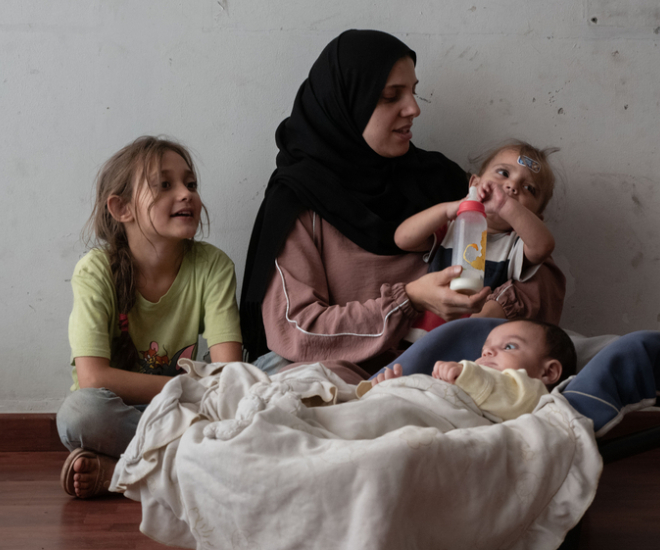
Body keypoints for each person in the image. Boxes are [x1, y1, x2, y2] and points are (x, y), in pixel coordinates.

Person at [240, 30, 555, 375]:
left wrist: (493, 311)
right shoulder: (300, 202)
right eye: (391, 96)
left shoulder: (439, 179)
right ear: (348, 104)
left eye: (413, 91)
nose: (414, 108)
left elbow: (538, 269)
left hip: (452, 367)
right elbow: (297, 330)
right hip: (346, 373)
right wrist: (409, 300)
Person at [57, 136, 243, 498]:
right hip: (128, 412)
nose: (186, 193)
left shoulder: (213, 265)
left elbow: (229, 373)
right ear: (121, 208)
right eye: (164, 185)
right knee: (80, 413)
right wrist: (195, 389)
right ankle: (210, 460)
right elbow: (93, 377)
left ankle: (126, 475)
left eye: (191, 184)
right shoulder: (95, 271)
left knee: (282, 367)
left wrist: (203, 392)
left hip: (194, 404)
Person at [394, 142, 565, 341]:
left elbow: (543, 246)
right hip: (421, 336)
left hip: (473, 343)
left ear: (535, 217)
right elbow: (403, 239)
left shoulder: (515, 245)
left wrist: (505, 205)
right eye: (503, 173)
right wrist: (451, 208)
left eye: (529, 188)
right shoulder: (452, 225)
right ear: (474, 183)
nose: (512, 186)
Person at [365, 319, 577, 421]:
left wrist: (466, 376)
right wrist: (393, 387)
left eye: (508, 346)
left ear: (547, 373)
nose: (487, 353)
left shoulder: (531, 392)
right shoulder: (470, 378)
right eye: (485, 349)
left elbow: (509, 397)